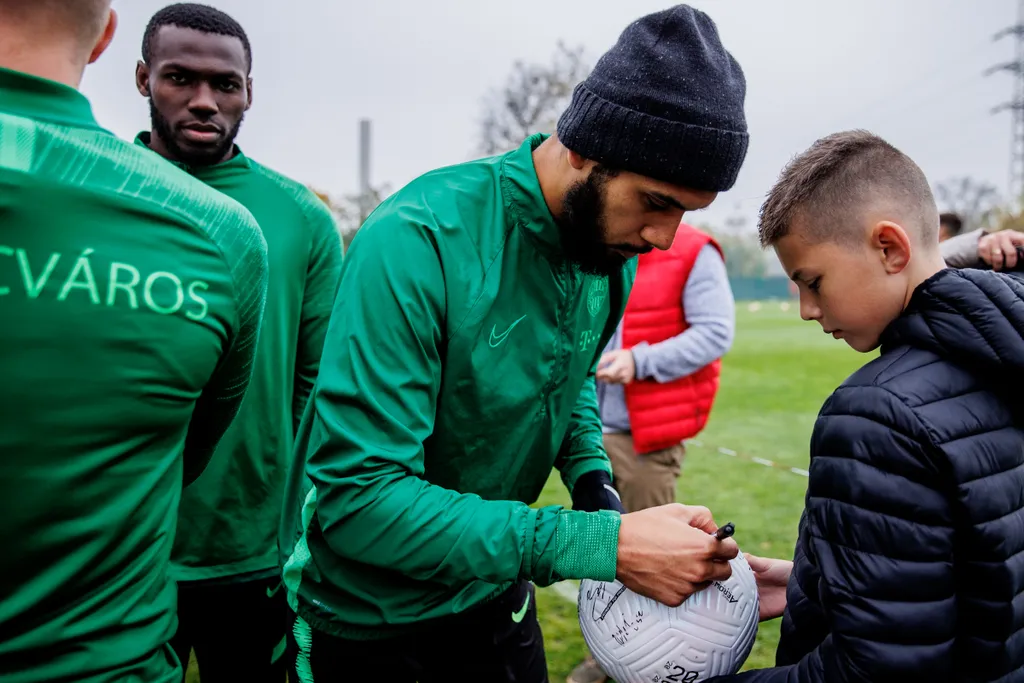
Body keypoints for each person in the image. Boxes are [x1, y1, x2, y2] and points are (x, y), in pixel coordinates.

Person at [279, 5, 747, 681]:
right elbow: (361, 501)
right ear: (583, 146)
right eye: (656, 202)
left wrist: (598, 493)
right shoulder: (418, 238)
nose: (665, 238)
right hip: (369, 618)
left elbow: (569, 380)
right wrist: (599, 543)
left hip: (496, 592)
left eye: (686, 213)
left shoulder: (606, 251)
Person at [0, 1, 269, 682]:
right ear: (110, 43)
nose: (205, 101)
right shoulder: (221, 233)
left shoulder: (246, 228)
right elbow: (188, 446)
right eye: (180, 78)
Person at [710, 130, 1024, 682]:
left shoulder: (874, 415)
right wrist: (813, 581)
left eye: (813, 282)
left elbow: (871, 672)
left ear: (890, 249)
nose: (807, 310)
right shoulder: (1006, 350)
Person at [133, 4, 344, 682]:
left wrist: (299, 527)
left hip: (252, 549)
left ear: (249, 90)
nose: (203, 100)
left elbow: (318, 389)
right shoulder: (98, 192)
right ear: (142, 79)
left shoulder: (302, 219)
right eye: (178, 78)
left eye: (225, 84)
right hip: (117, 548)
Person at [569, 221, 736, 683]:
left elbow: (715, 333)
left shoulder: (696, 251)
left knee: (654, 557)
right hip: (587, 429)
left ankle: (651, 663)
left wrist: (641, 360)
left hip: (645, 435)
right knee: (603, 549)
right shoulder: (600, 236)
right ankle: (609, 654)